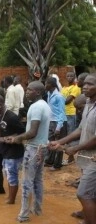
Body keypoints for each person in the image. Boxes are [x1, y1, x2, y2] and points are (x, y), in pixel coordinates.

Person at [49, 73, 96, 224]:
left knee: (83, 194)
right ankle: (87, 217)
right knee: (91, 193)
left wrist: (75, 149)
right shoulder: (89, 103)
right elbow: (80, 130)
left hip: (94, 159)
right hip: (86, 157)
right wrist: (60, 142)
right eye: (85, 84)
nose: (85, 87)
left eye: (91, 84)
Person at [4, 81, 51, 223]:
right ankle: (37, 209)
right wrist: (17, 137)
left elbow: (32, 132)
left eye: (29, 90)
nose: (27, 91)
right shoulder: (45, 105)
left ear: (37, 92)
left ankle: (23, 215)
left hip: (33, 150)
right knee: (38, 180)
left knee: (26, 183)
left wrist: (16, 139)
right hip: (42, 148)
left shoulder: (36, 107)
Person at [43, 76, 67, 171]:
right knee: (51, 142)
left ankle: (57, 164)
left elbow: (62, 112)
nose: (45, 85)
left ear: (51, 85)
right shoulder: (49, 94)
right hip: (51, 121)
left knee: (59, 143)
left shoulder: (59, 96)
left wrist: (58, 127)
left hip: (59, 122)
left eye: (46, 84)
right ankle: (50, 160)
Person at [61, 72, 81, 165]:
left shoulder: (76, 88)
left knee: (71, 135)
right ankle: (70, 156)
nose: (69, 77)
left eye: (71, 76)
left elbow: (67, 101)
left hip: (72, 113)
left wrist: (61, 101)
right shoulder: (64, 88)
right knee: (66, 135)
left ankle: (70, 157)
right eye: (68, 76)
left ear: (74, 77)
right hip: (65, 114)